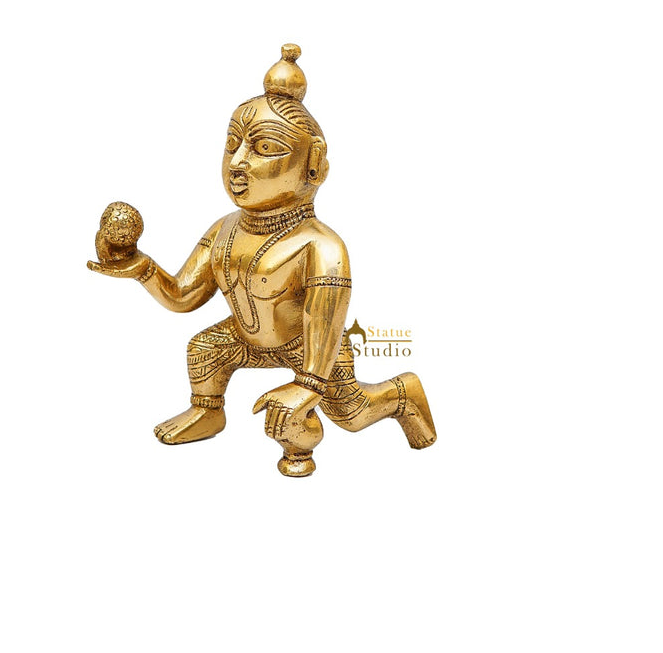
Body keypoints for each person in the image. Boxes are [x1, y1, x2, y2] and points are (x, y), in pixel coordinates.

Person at [88, 44, 436, 476]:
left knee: (350, 413)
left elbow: (324, 326)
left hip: (310, 349)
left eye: (264, 147)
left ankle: (399, 395)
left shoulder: (321, 247)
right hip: (246, 339)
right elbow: (182, 297)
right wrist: (141, 267)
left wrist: (307, 384)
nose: (238, 162)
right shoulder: (225, 229)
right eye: (232, 144)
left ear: (313, 165)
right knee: (204, 349)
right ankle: (208, 411)